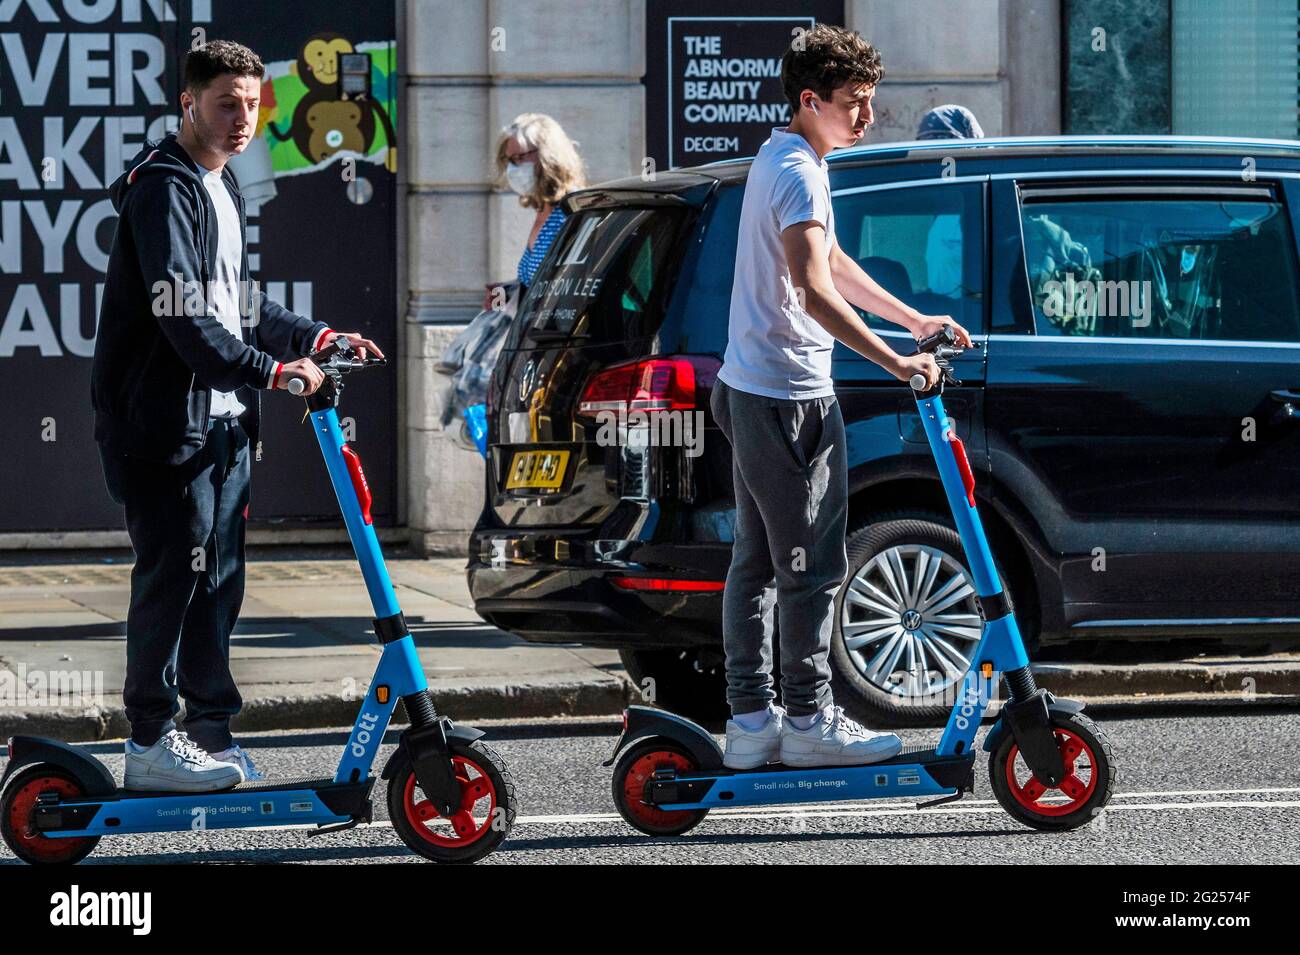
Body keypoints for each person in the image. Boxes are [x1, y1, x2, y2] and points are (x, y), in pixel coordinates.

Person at [90, 40, 383, 792]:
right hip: (163, 426)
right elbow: (186, 320)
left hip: (222, 427)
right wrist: (274, 372)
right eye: (227, 102)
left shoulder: (221, 186)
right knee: (170, 577)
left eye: (253, 103)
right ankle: (150, 740)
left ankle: (208, 735)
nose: (243, 116)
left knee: (217, 582)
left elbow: (238, 305)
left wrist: (313, 337)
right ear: (188, 103)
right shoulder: (164, 188)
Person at [712, 23, 973, 771]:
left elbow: (829, 256)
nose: (867, 117)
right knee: (812, 567)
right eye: (854, 103)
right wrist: (899, 362)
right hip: (783, 396)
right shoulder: (796, 170)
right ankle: (805, 721)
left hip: (758, 388)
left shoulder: (787, 157)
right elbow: (813, 289)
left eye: (870, 101)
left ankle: (753, 722)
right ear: (810, 98)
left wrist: (913, 317)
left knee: (759, 564)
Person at [482, 113, 587, 310]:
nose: (513, 169)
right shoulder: (545, 210)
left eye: (520, 158)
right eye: (510, 161)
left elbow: (573, 284)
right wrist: (508, 293)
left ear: (549, 156)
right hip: (537, 334)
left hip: (560, 336)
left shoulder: (574, 210)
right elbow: (537, 283)